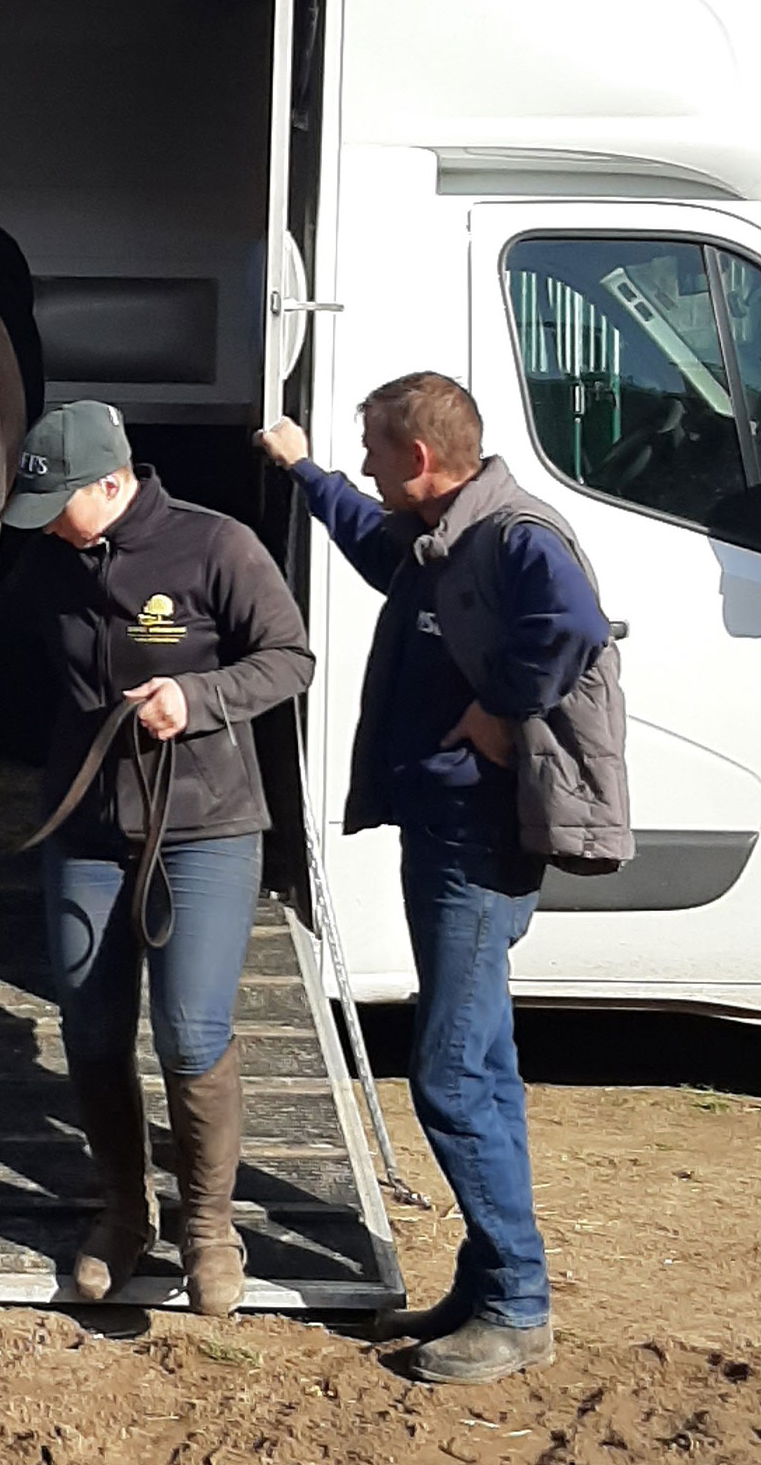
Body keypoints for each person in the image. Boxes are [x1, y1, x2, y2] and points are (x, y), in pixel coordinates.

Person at [0, 400, 313, 1314]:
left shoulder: (218, 547)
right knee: (91, 1030)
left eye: (59, 502)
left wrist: (199, 695)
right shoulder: (49, 562)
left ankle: (209, 1232)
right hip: (86, 833)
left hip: (205, 831)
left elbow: (290, 658)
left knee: (190, 1031)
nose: (46, 524)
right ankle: (124, 1215)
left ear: (113, 481)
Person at [259, 373, 630, 1385]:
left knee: (453, 1077)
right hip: (449, 831)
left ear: (419, 459)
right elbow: (378, 547)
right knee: (488, 1066)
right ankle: (486, 1280)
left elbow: (572, 627)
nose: (369, 467)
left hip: (476, 840)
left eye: (374, 451)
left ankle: (517, 1305)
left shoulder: (515, 536)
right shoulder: (443, 539)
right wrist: (306, 472)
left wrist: (499, 712)